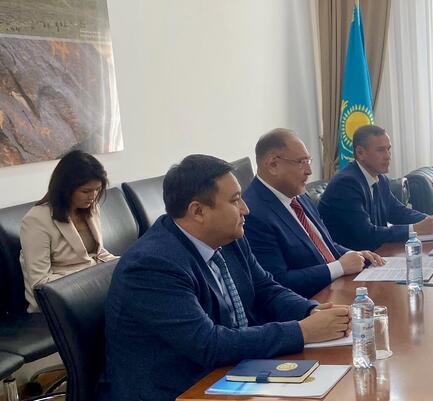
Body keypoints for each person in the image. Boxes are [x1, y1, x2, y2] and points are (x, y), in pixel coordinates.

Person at [99, 155, 350, 401]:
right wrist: (301, 331)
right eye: (235, 200)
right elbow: (207, 344)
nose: (246, 209)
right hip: (181, 388)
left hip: (230, 372)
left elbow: (266, 289)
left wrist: (311, 311)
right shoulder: (153, 265)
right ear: (198, 211)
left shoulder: (229, 238)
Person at [242, 128, 385, 298]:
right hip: (310, 302)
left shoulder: (298, 194)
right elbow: (277, 282)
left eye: (308, 161)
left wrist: (352, 254)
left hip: (337, 287)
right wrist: (339, 267)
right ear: (273, 165)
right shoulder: (253, 213)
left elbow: (324, 243)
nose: (309, 171)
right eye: (301, 162)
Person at [319, 124, 433, 250]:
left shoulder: (380, 179)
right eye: (380, 150)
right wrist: (415, 229)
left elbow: (398, 212)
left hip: (376, 252)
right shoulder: (346, 184)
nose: (388, 156)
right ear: (360, 152)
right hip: (352, 257)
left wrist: (430, 220)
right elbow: (366, 234)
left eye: (388, 149)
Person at [19, 149, 117, 313]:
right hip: (62, 299)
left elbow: (98, 254)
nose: (93, 196)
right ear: (65, 188)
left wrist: (126, 264)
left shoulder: (91, 208)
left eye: (97, 189)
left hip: (94, 287)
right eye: (85, 191)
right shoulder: (36, 220)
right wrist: (93, 279)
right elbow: (40, 283)